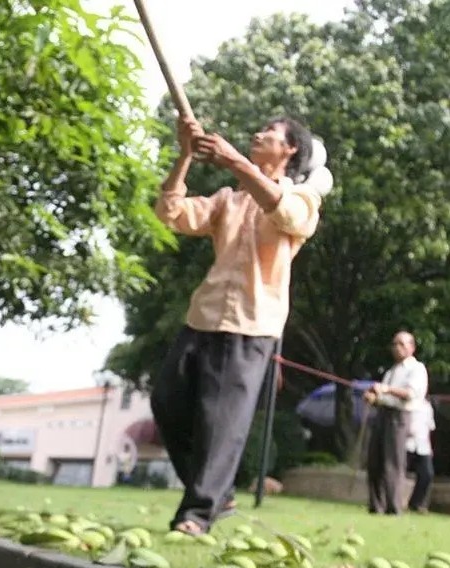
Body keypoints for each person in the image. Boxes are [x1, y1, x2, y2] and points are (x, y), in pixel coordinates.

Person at [151, 114, 323, 536]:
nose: (258, 133)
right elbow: (170, 212)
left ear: (290, 150)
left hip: (252, 323)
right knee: (167, 401)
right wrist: (185, 156)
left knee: (220, 421)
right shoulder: (228, 199)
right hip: (204, 315)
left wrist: (232, 161)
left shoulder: (300, 198)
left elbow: (284, 214)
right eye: (258, 127)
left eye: (270, 132)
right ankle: (219, 492)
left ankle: (197, 514)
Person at [363, 331, 428, 515]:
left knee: (393, 461)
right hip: (383, 413)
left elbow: (410, 394)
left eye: (402, 344)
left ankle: (394, 506)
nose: (397, 348)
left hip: (400, 416)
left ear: (411, 347)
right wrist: (374, 397)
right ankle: (376, 505)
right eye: (394, 344)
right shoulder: (392, 370)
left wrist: (385, 389)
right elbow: (384, 396)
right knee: (374, 459)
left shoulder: (416, 369)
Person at [406, 397, 436, 514]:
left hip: (422, 445)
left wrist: (430, 447)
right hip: (406, 443)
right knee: (396, 471)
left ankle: (416, 503)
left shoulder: (427, 407)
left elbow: (429, 427)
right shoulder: (408, 403)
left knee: (427, 474)